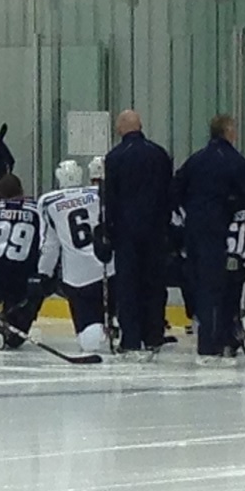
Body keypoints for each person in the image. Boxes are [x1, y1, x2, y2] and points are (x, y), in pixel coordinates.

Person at [173, 114, 245, 364]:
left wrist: (187, 217)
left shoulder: (196, 160)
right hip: (223, 234)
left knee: (203, 286)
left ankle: (209, 340)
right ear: (228, 131)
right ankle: (220, 341)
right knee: (225, 285)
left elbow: (175, 190)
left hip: (196, 233)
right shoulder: (235, 162)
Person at [99, 110, 173, 354]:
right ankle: (153, 334)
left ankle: (131, 338)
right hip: (156, 230)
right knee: (154, 282)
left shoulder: (115, 157)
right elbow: (168, 193)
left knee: (128, 284)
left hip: (126, 231)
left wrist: (107, 229)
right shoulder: (160, 154)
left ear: (121, 128)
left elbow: (110, 198)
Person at [37, 160, 116, 354]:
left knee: (89, 342)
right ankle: (116, 325)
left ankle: (97, 332)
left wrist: (43, 274)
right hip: (109, 270)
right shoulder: (99, 194)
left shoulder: (49, 202)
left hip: (77, 278)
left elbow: (50, 245)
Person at [0, 173, 43, 348]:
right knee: (15, 340)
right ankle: (15, 319)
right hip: (22, 276)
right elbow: (45, 243)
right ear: (21, 189)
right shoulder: (37, 210)